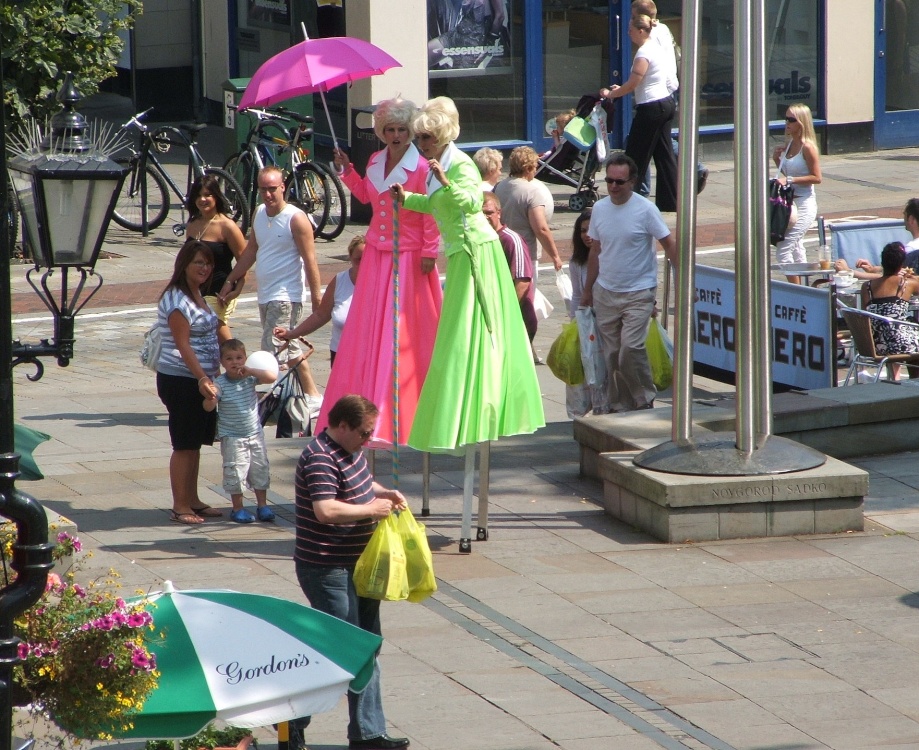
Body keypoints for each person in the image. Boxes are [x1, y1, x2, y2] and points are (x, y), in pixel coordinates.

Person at [391, 96, 545, 451]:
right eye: (419, 138)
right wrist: (407, 198)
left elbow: (474, 202)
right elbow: (434, 206)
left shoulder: (458, 164)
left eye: (426, 138)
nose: (421, 143)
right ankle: (466, 396)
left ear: (441, 136)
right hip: (460, 253)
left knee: (467, 329)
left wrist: (444, 180)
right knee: (459, 330)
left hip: (477, 250)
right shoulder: (438, 164)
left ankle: (482, 394)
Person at [321, 98, 442, 446]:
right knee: (372, 324)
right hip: (377, 252)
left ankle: (404, 403)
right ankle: (370, 394)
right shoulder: (374, 160)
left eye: (402, 129)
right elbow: (364, 195)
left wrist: (430, 252)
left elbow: (431, 211)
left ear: (410, 131)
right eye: (390, 129)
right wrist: (346, 171)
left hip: (408, 253)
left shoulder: (420, 166)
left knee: (403, 329)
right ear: (382, 132)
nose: (396, 135)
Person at [292, 394, 410, 750]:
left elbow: (360, 484)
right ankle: (291, 719)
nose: (368, 440)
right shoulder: (320, 458)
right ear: (341, 426)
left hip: (359, 565)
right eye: (363, 433)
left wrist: (383, 492)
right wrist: (370, 511)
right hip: (328, 568)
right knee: (338, 651)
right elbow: (326, 510)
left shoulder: (350, 450)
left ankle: (368, 733)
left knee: (366, 646)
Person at [217, 166, 324, 418]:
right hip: (266, 294)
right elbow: (251, 250)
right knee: (290, 347)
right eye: (263, 189)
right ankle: (312, 396)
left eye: (272, 189)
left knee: (272, 351)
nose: (267, 194)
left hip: (285, 296)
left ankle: (270, 403)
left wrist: (318, 299)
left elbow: (310, 261)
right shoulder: (259, 213)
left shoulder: (296, 219)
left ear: (283, 187)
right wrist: (232, 279)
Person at [582, 152, 677, 412]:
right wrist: (587, 290)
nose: (613, 186)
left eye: (619, 182)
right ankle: (621, 404)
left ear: (632, 182)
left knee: (630, 349)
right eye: (609, 181)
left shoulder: (646, 210)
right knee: (612, 355)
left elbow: (669, 244)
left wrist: (684, 282)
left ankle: (644, 396)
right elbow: (595, 251)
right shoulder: (600, 209)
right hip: (606, 291)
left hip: (639, 291)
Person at [155, 239, 222, 525]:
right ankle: (180, 504)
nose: (205, 268)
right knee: (184, 443)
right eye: (199, 263)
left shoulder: (196, 293)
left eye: (208, 263)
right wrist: (203, 378)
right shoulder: (176, 300)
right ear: (184, 265)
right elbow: (183, 346)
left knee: (194, 441)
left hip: (198, 379)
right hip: (182, 379)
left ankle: (192, 499)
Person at [600, 14, 678, 214]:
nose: (628, 33)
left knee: (635, 156)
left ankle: (625, 200)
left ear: (641, 31)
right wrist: (622, 88)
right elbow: (642, 81)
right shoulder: (656, 47)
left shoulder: (644, 52)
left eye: (630, 29)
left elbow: (634, 83)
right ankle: (671, 201)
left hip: (651, 107)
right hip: (665, 103)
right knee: (664, 154)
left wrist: (612, 93)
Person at [203, 339, 278, 523]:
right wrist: (211, 398)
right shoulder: (220, 383)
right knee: (236, 472)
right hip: (232, 437)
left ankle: (263, 506)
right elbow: (207, 407)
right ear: (222, 362)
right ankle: (238, 508)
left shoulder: (249, 377)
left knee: (260, 469)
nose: (235, 362)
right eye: (229, 358)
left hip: (254, 433)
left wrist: (251, 370)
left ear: (245, 358)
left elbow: (271, 377)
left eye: (239, 357)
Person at [276, 235, 365, 366]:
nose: (363, 263)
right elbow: (320, 315)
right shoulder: (340, 281)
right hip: (341, 354)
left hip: (373, 355)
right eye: (358, 259)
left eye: (368, 259)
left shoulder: (386, 283)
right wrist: (291, 334)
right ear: (350, 258)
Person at [185, 174, 248, 343]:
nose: (202, 199)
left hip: (219, 291)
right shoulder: (192, 224)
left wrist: (237, 288)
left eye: (207, 195)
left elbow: (244, 261)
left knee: (217, 328)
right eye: (198, 195)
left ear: (216, 197)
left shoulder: (227, 226)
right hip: (194, 289)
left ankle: (238, 365)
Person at [566, 209, 610, 417]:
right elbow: (576, 295)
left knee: (606, 369)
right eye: (582, 230)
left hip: (607, 320)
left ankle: (606, 408)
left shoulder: (609, 257)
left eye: (590, 230)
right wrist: (576, 323)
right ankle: (583, 412)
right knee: (587, 368)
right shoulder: (576, 262)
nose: (586, 235)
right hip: (587, 323)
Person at [494, 146, 563, 276]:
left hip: (502, 249)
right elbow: (541, 229)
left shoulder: (499, 187)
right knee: (526, 294)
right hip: (524, 252)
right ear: (528, 168)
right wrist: (555, 256)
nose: (536, 170)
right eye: (535, 166)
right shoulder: (532, 192)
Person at [772, 102, 822, 284]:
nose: (787, 123)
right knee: (796, 248)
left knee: (783, 250)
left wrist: (790, 180)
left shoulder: (808, 147)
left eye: (791, 119)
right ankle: (805, 290)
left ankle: (797, 292)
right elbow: (788, 175)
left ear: (801, 122)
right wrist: (777, 161)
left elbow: (817, 177)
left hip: (804, 204)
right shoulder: (790, 144)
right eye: (786, 118)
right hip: (789, 204)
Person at [481, 191, 536, 342]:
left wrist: (504, 314)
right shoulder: (482, 240)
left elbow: (522, 282)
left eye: (489, 212)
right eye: (480, 213)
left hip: (515, 320)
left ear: (499, 213)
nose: (485, 217)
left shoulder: (511, 240)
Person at [860, 241, 919, 381]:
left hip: (873, 345)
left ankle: (896, 380)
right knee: (910, 335)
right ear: (901, 265)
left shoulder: (866, 287)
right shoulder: (905, 284)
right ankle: (914, 384)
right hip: (896, 344)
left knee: (898, 330)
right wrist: (908, 276)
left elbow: (868, 315)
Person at [838, 198, 919, 278]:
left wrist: (848, 271)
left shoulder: (910, 250)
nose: (903, 219)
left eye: (904, 215)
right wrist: (873, 269)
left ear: (911, 219)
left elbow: (889, 278)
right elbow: (896, 270)